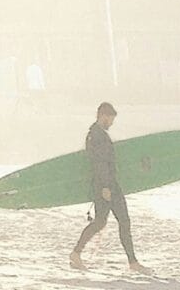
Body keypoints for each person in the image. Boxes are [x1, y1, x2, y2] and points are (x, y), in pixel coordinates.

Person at [70, 100, 141, 272]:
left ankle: (77, 254)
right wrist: (105, 188)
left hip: (107, 184)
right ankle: (132, 263)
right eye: (110, 119)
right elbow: (99, 163)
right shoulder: (97, 135)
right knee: (119, 221)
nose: (111, 123)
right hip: (106, 186)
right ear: (103, 116)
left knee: (104, 222)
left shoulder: (96, 133)